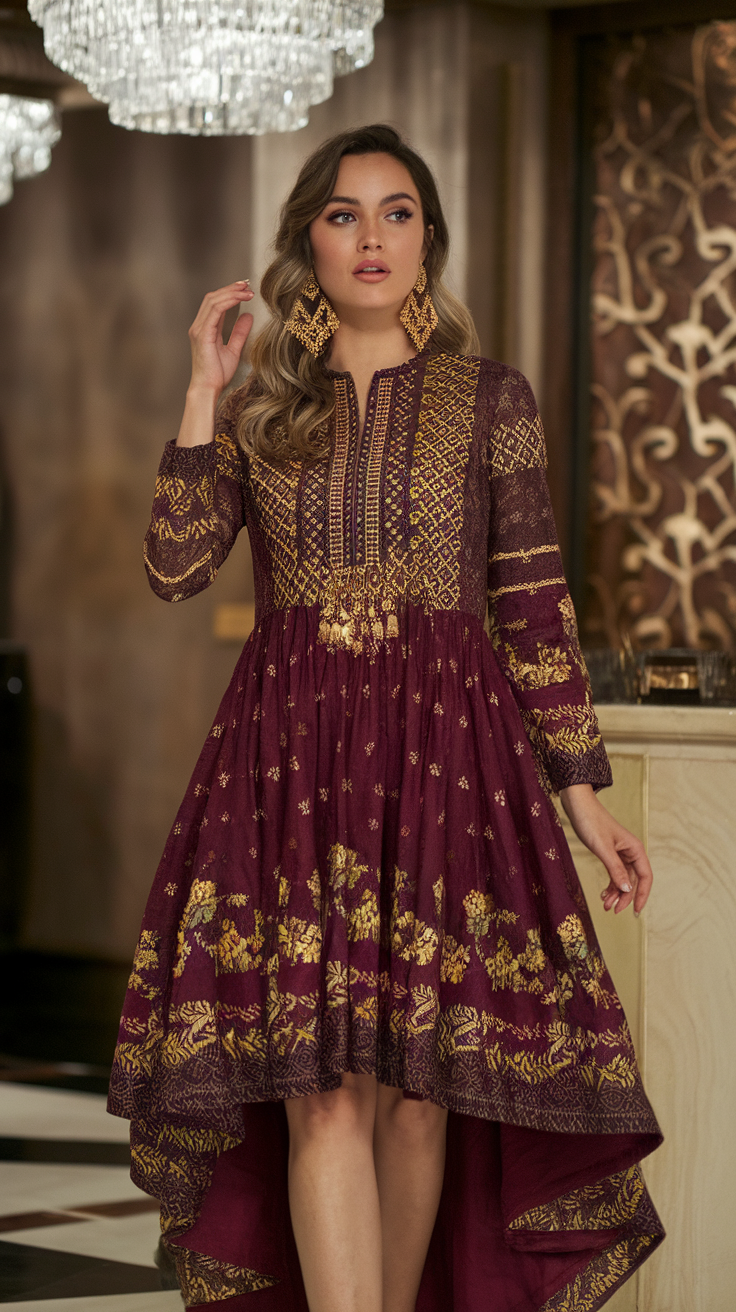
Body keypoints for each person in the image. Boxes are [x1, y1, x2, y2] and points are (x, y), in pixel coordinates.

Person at [108, 123, 663, 1312]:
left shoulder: (489, 398)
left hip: (447, 758)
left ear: (429, 240)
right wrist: (203, 388)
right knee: (319, 1088)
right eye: (345, 214)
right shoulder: (260, 407)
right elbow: (172, 562)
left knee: (421, 1091)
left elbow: (531, 603)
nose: (372, 237)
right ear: (306, 238)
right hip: (289, 759)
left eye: (397, 212)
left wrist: (584, 802)